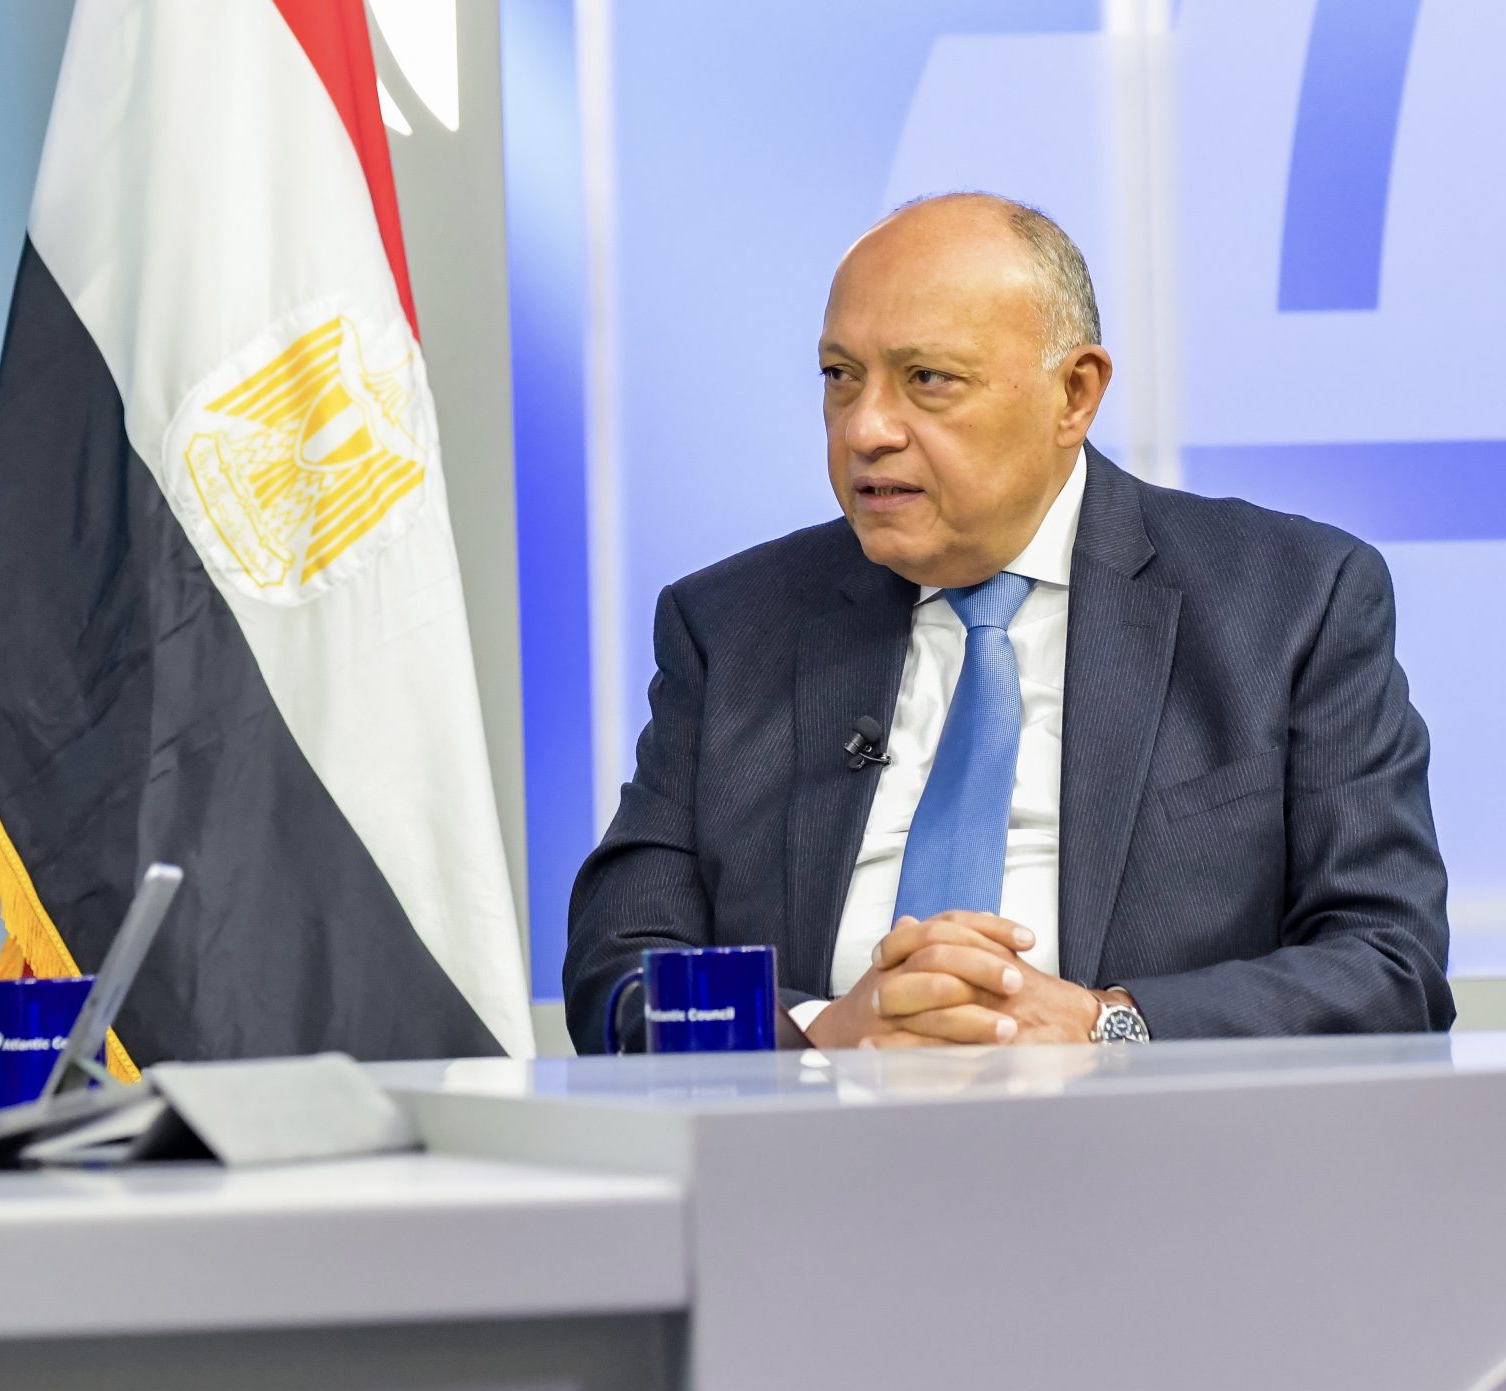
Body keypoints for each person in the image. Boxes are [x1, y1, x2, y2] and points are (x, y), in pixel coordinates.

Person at [566, 192, 1450, 1053]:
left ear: (1075, 393)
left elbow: (1390, 963)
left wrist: (1105, 1025)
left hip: (1154, 1140)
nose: (866, 429)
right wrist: (815, 1032)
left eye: (928, 379)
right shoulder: (730, 627)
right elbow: (620, 973)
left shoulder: (1291, 601)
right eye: (841, 376)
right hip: (815, 1137)